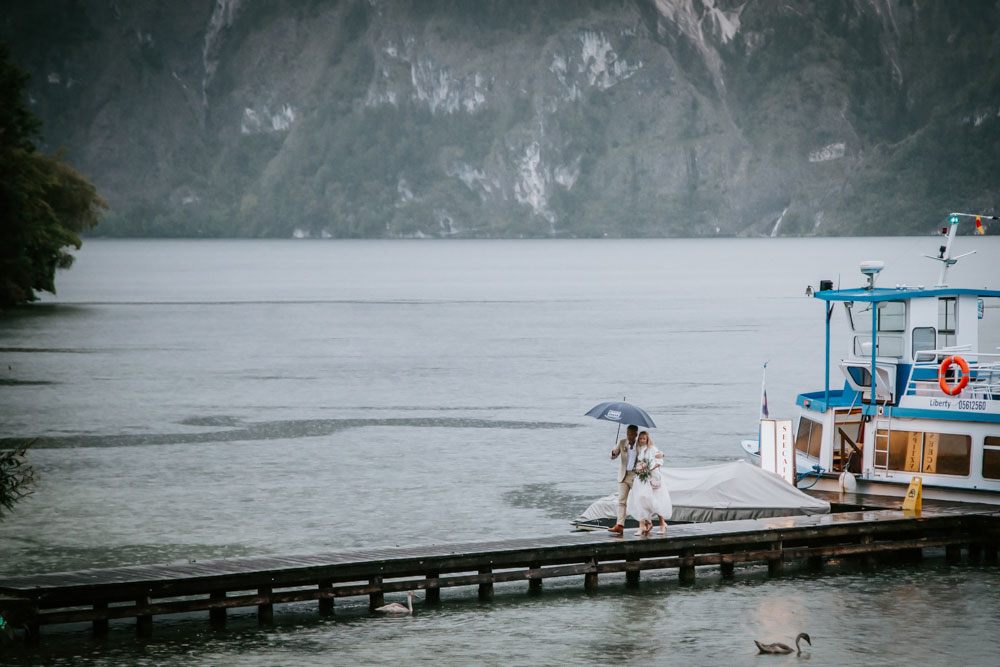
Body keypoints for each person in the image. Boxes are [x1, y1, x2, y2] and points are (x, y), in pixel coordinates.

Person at [626, 431, 672, 536]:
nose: (642, 440)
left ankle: (662, 523)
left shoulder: (652, 449)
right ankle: (642, 525)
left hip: (651, 478)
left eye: (644, 438)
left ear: (647, 439)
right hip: (641, 478)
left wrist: (648, 469)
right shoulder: (639, 449)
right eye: (640, 438)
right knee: (640, 500)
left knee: (655, 502)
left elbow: (659, 461)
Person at [608, 424, 639, 535]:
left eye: (631, 434)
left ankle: (644, 524)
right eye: (627, 434)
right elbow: (612, 457)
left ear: (636, 434)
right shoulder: (621, 442)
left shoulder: (640, 444)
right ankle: (619, 525)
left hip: (635, 476)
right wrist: (613, 453)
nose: (629, 436)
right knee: (621, 501)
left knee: (640, 501)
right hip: (624, 475)